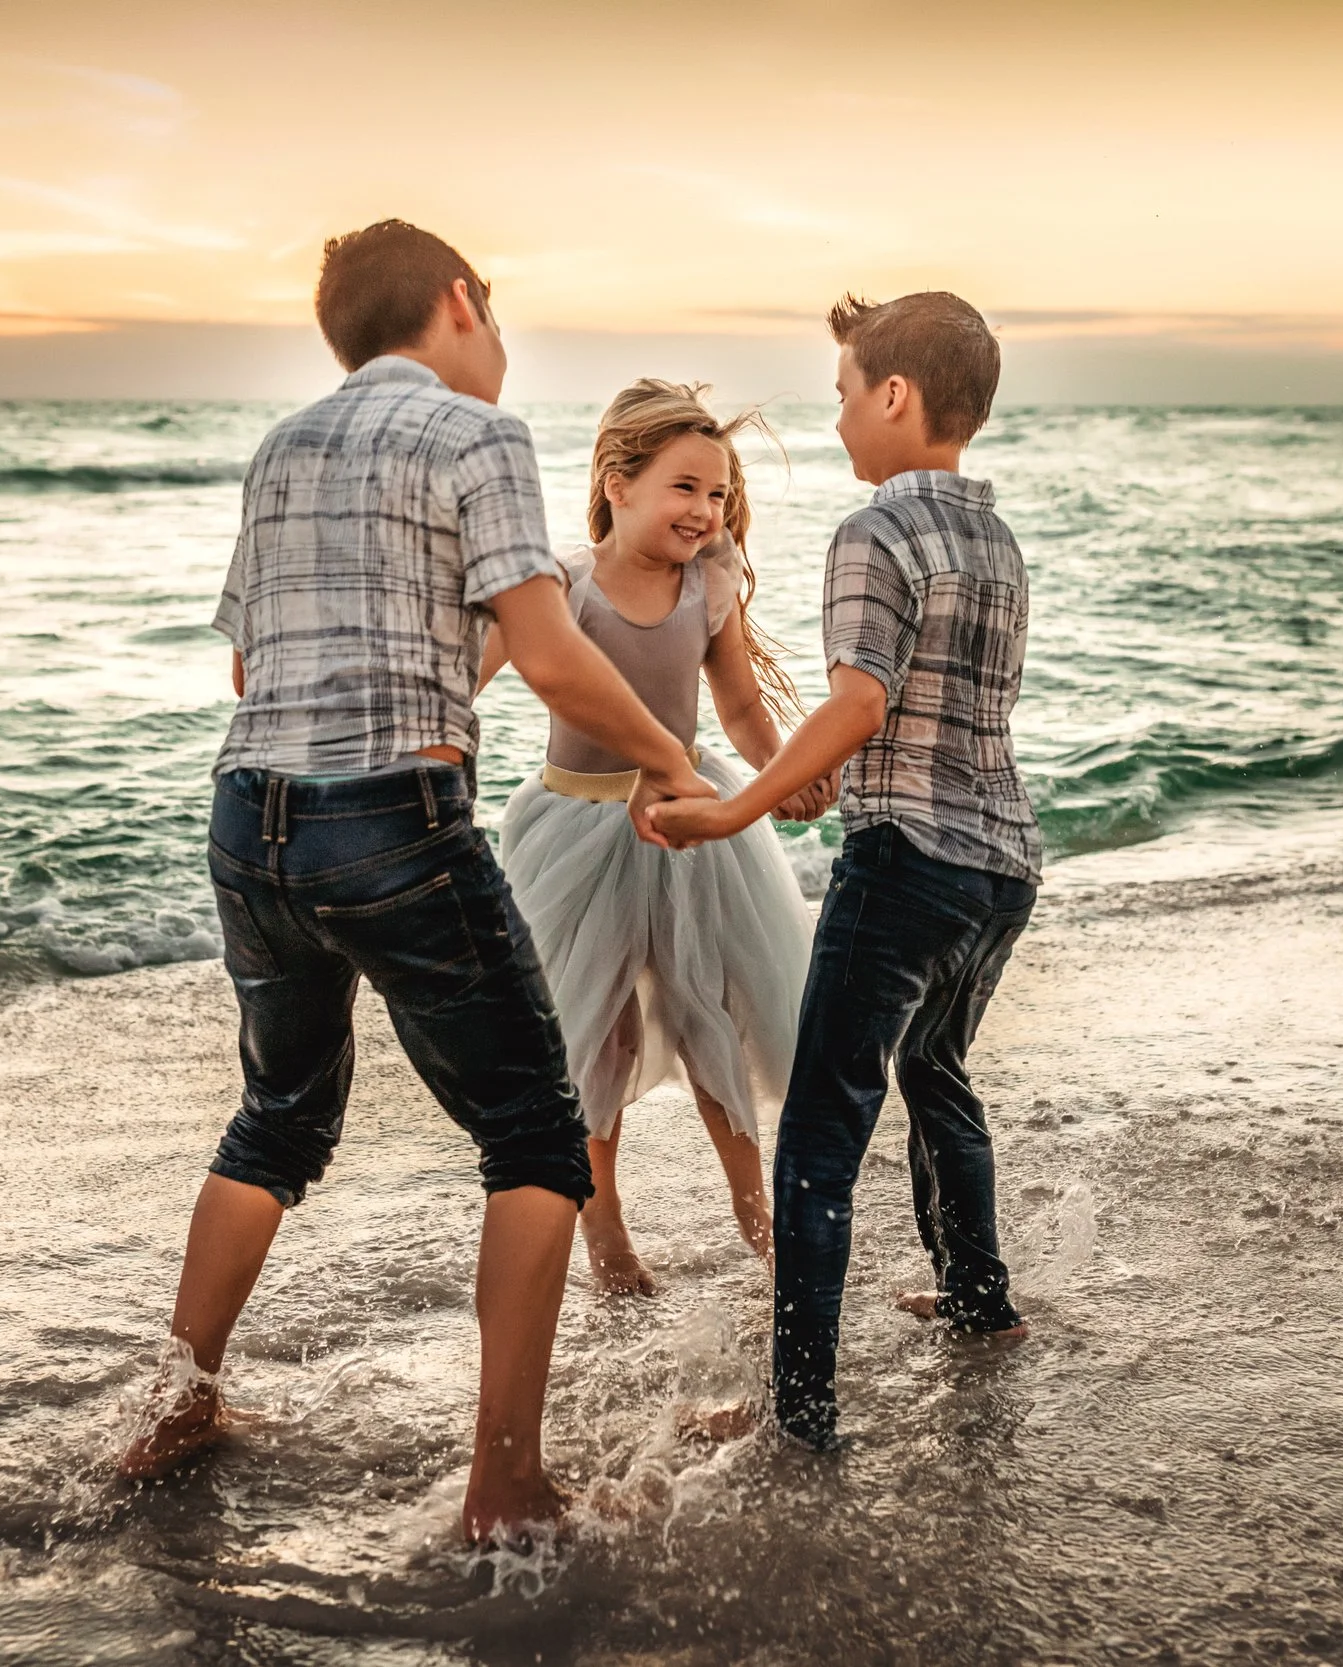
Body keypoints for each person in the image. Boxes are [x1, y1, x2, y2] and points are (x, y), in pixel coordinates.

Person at [116, 220, 715, 1544]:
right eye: (492, 314)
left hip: (248, 817)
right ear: (457, 302)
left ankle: (173, 1404)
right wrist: (671, 758)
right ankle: (503, 1483)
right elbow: (554, 654)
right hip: (392, 818)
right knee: (537, 1134)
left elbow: (245, 670)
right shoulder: (473, 433)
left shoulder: (284, 447)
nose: (497, 342)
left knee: (278, 1114)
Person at [651, 292, 1041, 1451]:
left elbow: (860, 701)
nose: (833, 424)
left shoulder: (874, 531)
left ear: (894, 395)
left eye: (839, 395)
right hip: (1001, 865)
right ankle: (980, 1304)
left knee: (821, 1128)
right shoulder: (996, 539)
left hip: (907, 859)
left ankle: (799, 1412)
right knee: (937, 1072)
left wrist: (735, 808)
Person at [478, 380, 830, 1296]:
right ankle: (607, 1233)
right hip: (575, 828)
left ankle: (766, 1228)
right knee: (594, 1035)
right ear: (616, 481)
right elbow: (472, 677)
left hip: (686, 822)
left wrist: (781, 774)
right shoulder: (563, 585)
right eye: (685, 487)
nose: (706, 511)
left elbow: (743, 706)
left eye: (717, 495)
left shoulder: (707, 587)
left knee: (712, 1012)